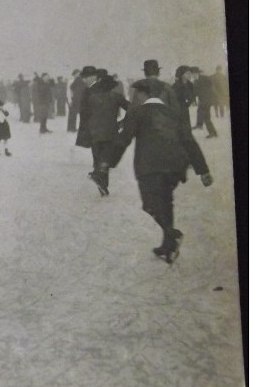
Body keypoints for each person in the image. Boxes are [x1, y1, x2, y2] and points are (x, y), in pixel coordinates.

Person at [100, 79, 213, 263]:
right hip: (175, 166)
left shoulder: (136, 112)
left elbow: (123, 140)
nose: (133, 96)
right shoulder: (174, 113)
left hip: (150, 166)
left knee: (150, 204)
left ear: (144, 94)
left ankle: (172, 235)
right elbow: (189, 142)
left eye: (136, 93)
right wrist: (203, 170)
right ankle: (168, 247)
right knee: (166, 201)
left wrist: (107, 163)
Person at [76, 69, 129, 196]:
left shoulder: (91, 97)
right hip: (111, 132)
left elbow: (83, 115)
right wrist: (123, 122)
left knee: (98, 158)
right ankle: (101, 181)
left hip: (94, 132)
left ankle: (102, 185)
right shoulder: (116, 96)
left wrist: (86, 131)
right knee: (105, 160)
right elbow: (132, 109)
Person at [190, 67, 218, 138]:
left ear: (197, 73)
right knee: (202, 113)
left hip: (207, 99)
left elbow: (210, 87)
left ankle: (211, 131)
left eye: (193, 74)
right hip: (202, 100)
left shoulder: (205, 78)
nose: (192, 75)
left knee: (205, 116)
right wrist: (192, 99)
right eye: (192, 74)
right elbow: (195, 92)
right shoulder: (196, 81)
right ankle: (201, 125)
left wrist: (208, 97)